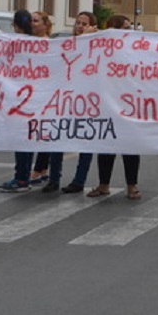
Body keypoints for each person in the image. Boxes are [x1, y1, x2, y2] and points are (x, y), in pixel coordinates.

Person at [87, 14, 142, 200]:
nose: (130, 31)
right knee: (106, 145)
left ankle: (132, 186)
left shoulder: (135, 50)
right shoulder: (101, 49)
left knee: (130, 146)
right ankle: (103, 185)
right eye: (126, 28)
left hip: (128, 104)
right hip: (107, 103)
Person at [0, 10, 37, 193]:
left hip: (20, 100)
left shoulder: (14, 44)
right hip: (33, 98)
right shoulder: (37, 44)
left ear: (15, 25)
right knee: (26, 139)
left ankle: (21, 178)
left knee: (21, 139)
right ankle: (24, 176)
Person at [61, 11, 98, 194]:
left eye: (84, 23)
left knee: (86, 142)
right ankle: (53, 177)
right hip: (65, 99)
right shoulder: (64, 45)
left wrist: (87, 38)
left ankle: (79, 179)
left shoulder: (95, 45)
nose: (80, 26)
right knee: (58, 137)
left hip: (86, 101)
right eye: (78, 23)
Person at [28, 11, 54, 185]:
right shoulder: (24, 43)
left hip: (45, 93)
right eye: (31, 20)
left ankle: (39, 169)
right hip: (29, 93)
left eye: (36, 20)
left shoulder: (51, 45)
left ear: (45, 24)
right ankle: (42, 169)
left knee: (44, 132)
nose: (32, 23)